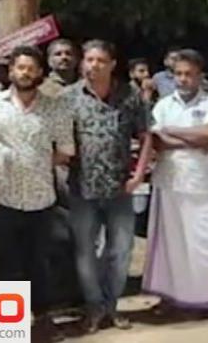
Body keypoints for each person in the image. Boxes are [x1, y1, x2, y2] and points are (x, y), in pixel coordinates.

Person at [0, 45, 74, 341]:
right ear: (11, 71)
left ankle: (42, 321)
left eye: (31, 68)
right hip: (3, 196)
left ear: (40, 72)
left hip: (41, 197)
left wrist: (36, 161)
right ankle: (8, 324)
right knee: (5, 263)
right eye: (21, 67)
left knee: (39, 264)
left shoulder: (55, 108)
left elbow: (66, 151)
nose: (26, 73)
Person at [62, 40, 152, 333]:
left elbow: (146, 135)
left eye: (100, 60)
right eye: (89, 60)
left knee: (121, 250)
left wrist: (139, 174)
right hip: (82, 188)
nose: (94, 66)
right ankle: (94, 306)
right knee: (85, 251)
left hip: (120, 188)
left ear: (112, 64)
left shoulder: (130, 95)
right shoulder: (68, 97)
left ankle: (111, 305)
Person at [143, 49, 208, 325]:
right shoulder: (163, 105)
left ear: (200, 76)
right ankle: (171, 297)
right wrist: (191, 140)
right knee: (171, 245)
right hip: (169, 182)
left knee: (205, 245)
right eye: (178, 74)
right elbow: (154, 140)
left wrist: (171, 132)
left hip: (202, 184)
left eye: (189, 74)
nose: (183, 79)